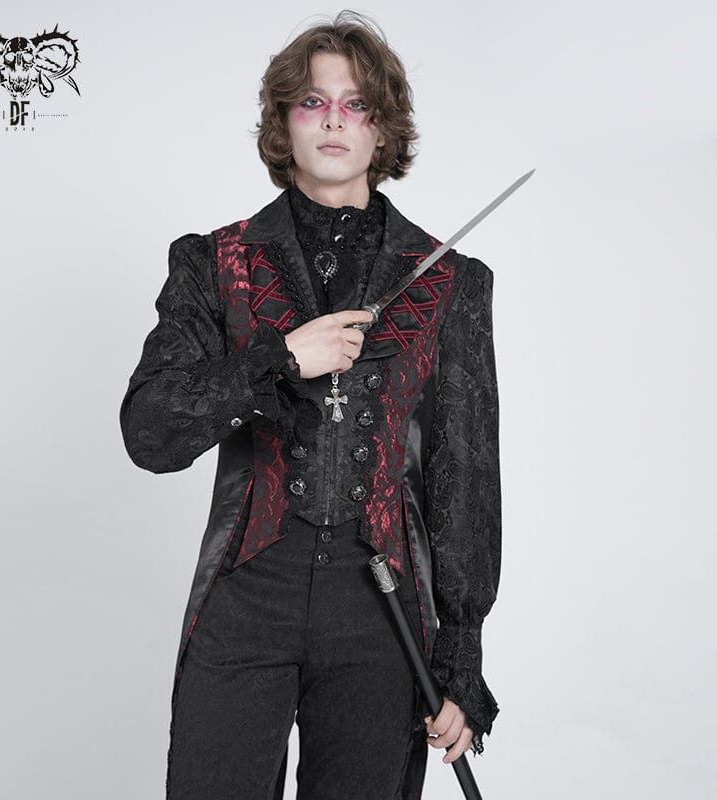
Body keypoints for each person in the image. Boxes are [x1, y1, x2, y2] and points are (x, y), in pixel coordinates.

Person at [120, 11, 501, 800]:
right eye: (312, 102)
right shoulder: (212, 262)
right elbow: (150, 431)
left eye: (356, 104)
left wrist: (461, 650)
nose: (333, 120)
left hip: (382, 611)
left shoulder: (450, 281)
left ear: (381, 126)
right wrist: (280, 360)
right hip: (246, 592)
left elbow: (465, 474)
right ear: (283, 120)